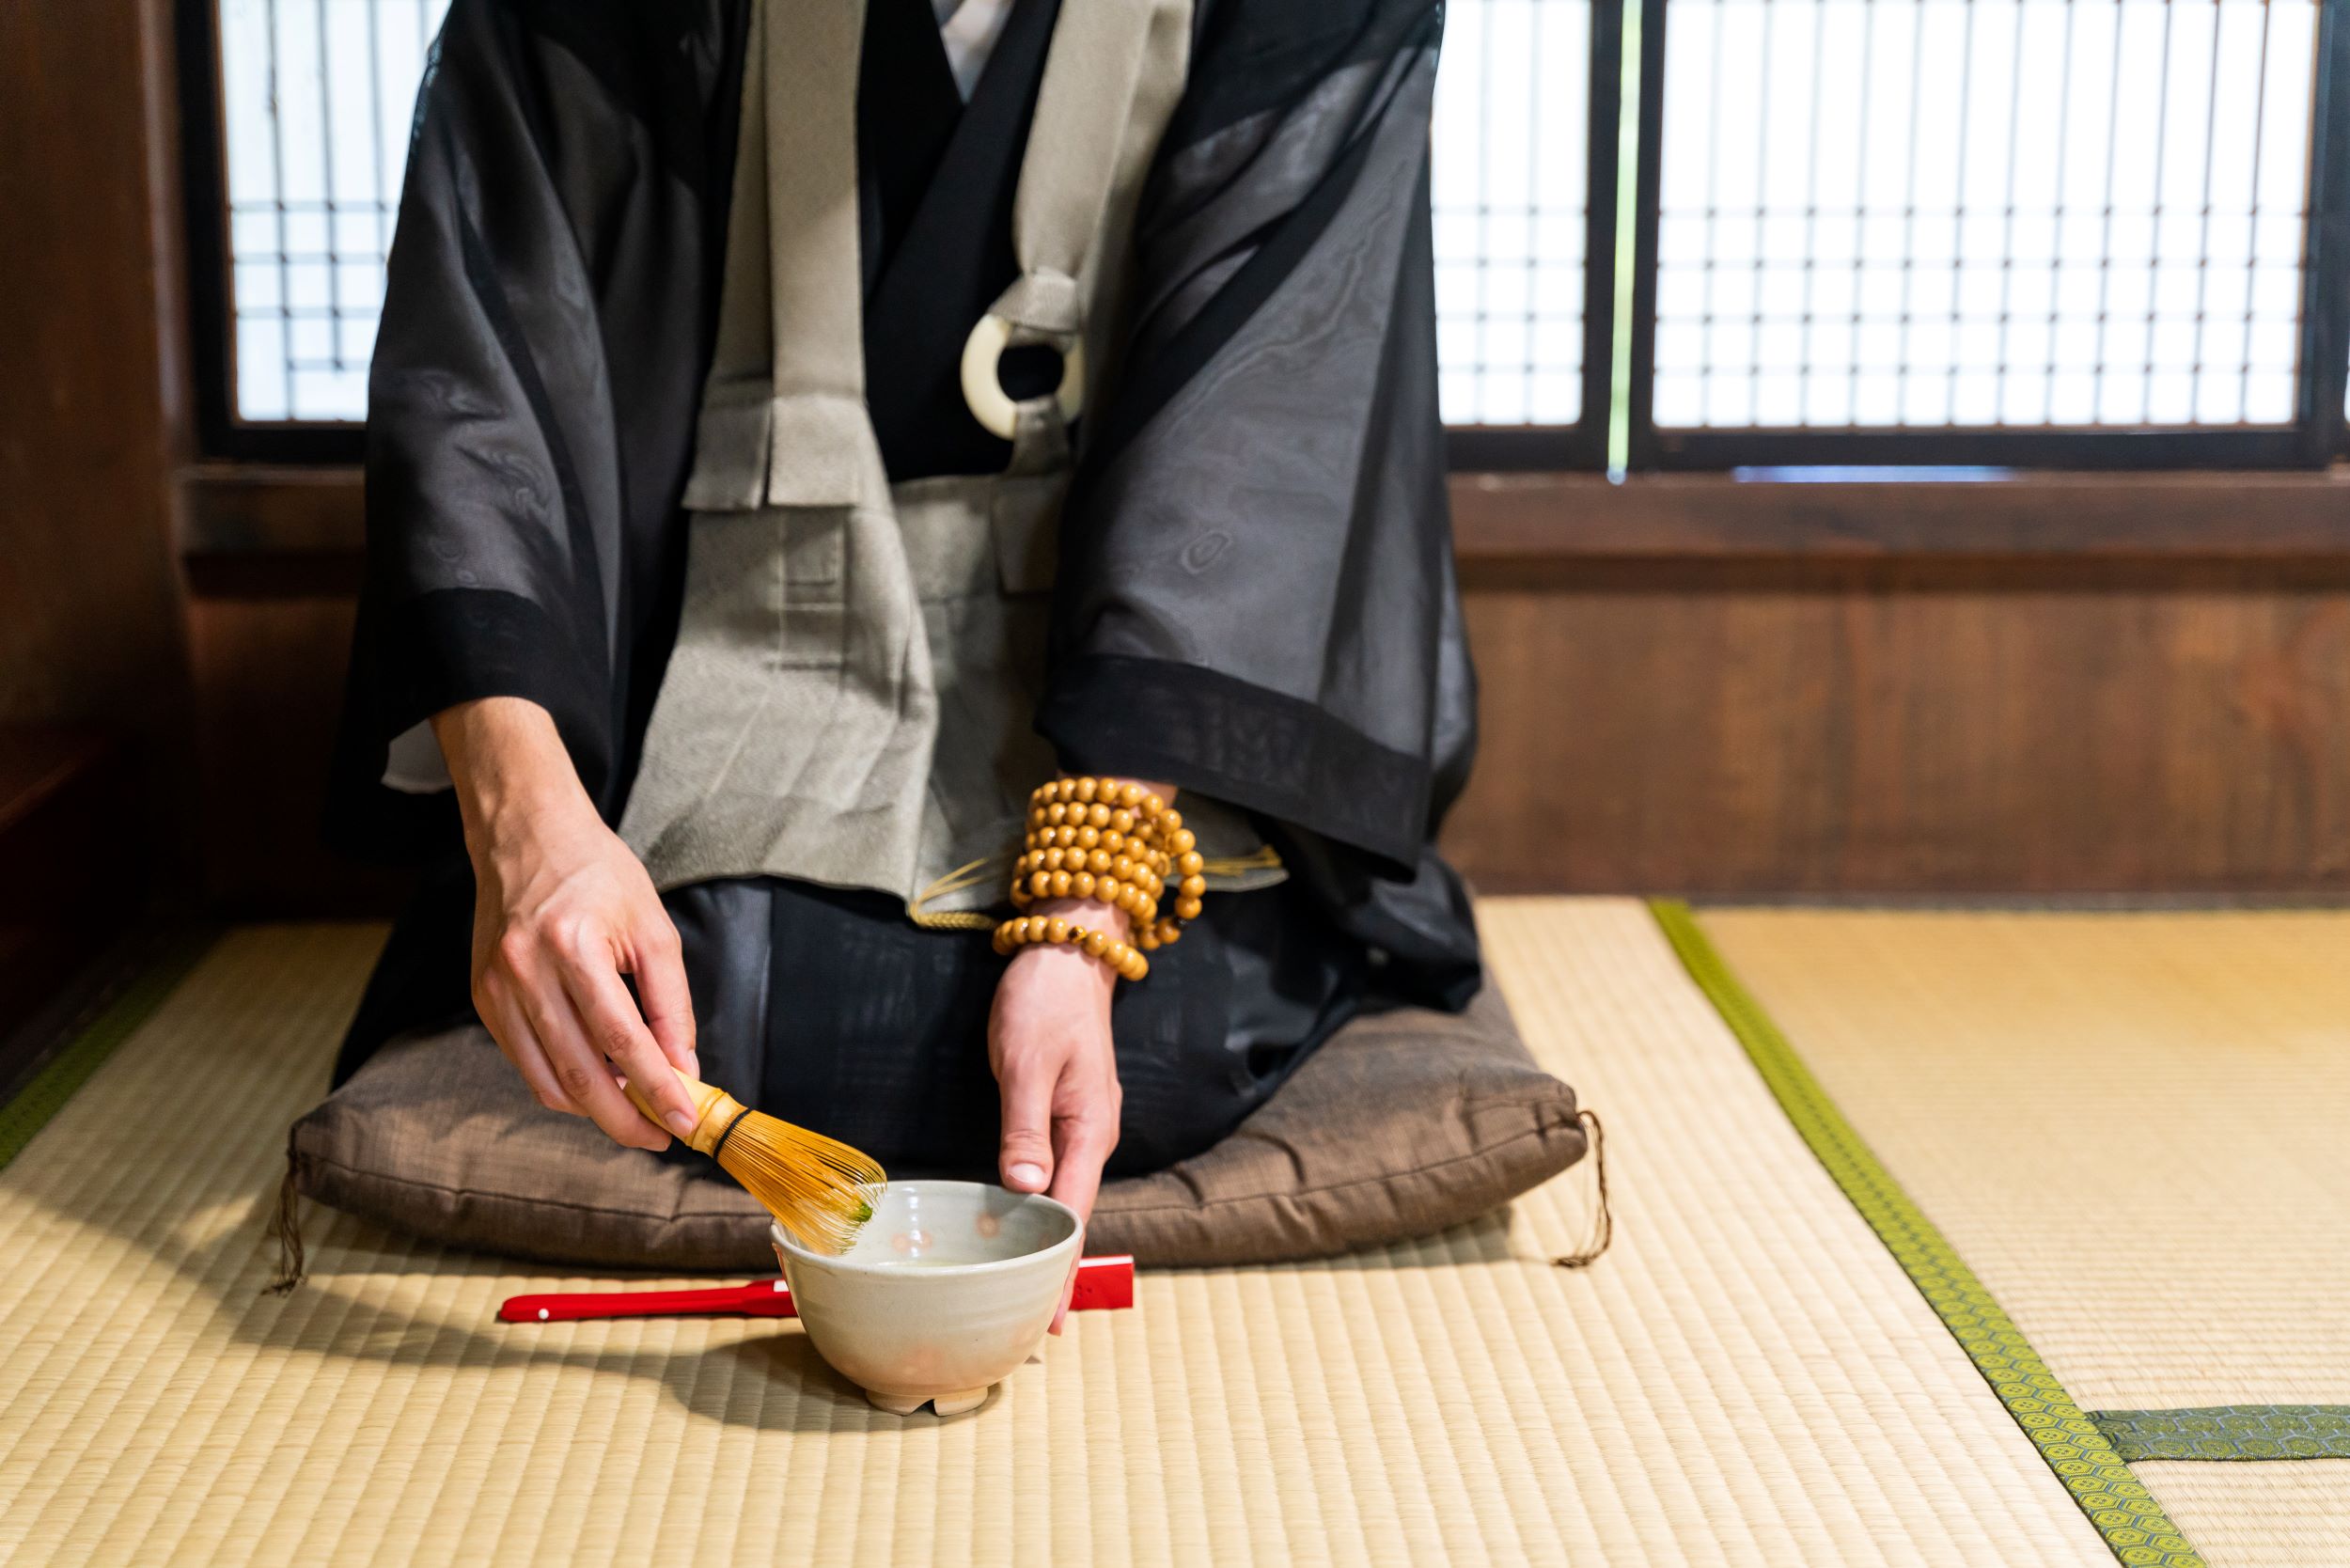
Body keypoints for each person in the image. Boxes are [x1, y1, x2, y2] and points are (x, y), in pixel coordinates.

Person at [325, 0, 1482, 1237]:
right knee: (682, 993)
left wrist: (1085, 922)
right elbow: (479, 395)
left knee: (1171, 1041)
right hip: (735, 656)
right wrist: (535, 836)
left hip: (1139, 683)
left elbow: (1261, 439)